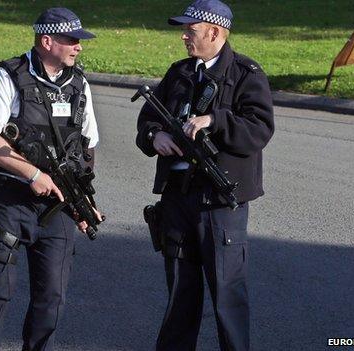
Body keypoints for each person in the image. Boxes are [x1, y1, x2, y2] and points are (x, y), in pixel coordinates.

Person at [135, 0, 274, 350]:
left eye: (190, 30)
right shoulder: (179, 72)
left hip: (219, 204)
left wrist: (215, 120)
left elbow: (259, 129)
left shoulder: (246, 74)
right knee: (180, 296)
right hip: (178, 198)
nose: (184, 36)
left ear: (214, 32)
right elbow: (149, 119)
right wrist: (156, 135)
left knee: (227, 299)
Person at [0, 7, 101, 351]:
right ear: (47, 41)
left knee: (51, 299)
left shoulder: (79, 84)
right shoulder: (9, 76)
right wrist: (33, 174)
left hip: (57, 208)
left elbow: (87, 149)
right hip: (9, 202)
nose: (79, 47)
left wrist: (84, 204)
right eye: (72, 40)